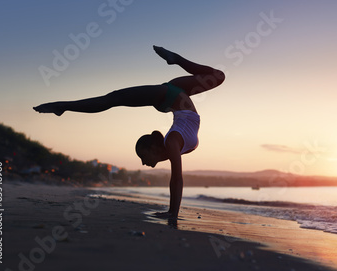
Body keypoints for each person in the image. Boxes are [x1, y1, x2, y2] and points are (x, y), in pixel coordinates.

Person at [34, 46, 225, 223]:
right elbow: (177, 178)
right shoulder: (173, 142)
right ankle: (63, 106)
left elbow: (176, 177)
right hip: (171, 95)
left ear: (153, 147)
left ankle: (176, 59)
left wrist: (172, 213)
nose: (143, 163)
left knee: (218, 76)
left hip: (174, 95)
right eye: (142, 157)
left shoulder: (172, 142)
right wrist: (172, 214)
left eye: (142, 157)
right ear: (154, 148)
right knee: (115, 98)